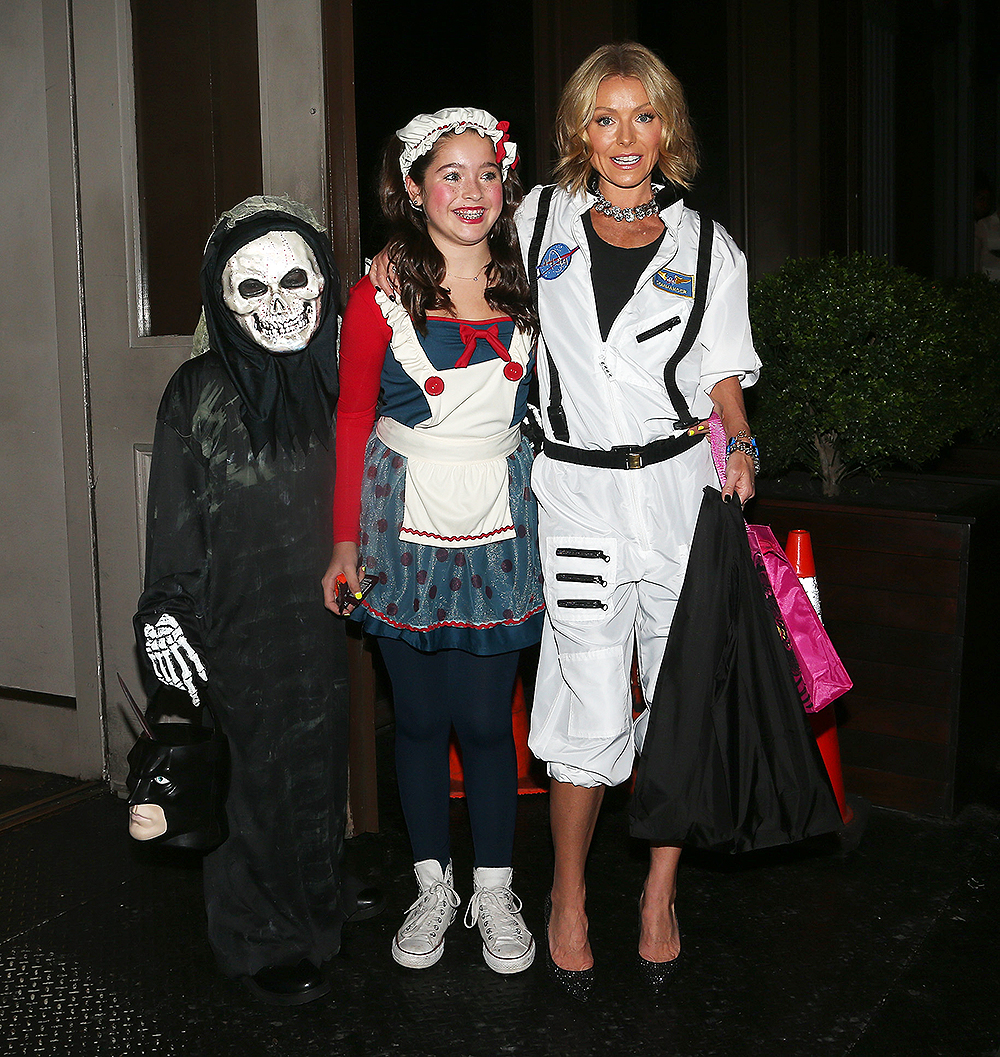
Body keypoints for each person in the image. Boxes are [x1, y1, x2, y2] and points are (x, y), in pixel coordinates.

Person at [518, 42, 760, 996]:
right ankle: (568, 896)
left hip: (676, 495)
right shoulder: (537, 219)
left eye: (645, 116)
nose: (626, 137)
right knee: (583, 695)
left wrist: (738, 444)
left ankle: (659, 890)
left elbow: (723, 375)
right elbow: (453, 242)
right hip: (574, 493)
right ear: (581, 129)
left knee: (679, 694)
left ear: (669, 129)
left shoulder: (710, 248)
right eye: (606, 118)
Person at [135, 196, 379, 1006]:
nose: (276, 305)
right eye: (250, 288)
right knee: (255, 771)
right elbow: (173, 515)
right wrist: (169, 613)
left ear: (322, 283)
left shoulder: (338, 377)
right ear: (221, 299)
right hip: (238, 611)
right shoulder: (197, 392)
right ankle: (255, 934)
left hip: (328, 612)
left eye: (294, 279)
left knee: (318, 759)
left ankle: (317, 900)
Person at [322, 109, 543, 975]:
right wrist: (342, 540)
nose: (471, 191)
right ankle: (431, 884)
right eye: (449, 174)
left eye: (486, 173)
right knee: (416, 719)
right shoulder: (378, 292)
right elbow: (349, 416)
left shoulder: (536, 279)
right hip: (398, 524)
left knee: (488, 725)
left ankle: (493, 886)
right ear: (413, 190)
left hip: (501, 523)